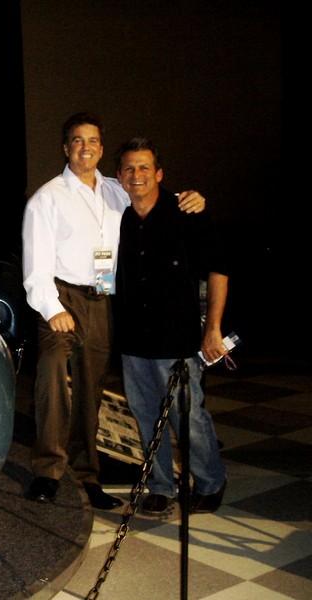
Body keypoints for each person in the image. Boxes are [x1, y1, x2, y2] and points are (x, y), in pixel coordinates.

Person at [21, 113, 205, 510]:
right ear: (65, 147)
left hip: (104, 300)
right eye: (76, 140)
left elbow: (150, 197)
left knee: (91, 390)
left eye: (93, 141)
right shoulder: (46, 199)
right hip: (61, 298)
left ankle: (87, 476)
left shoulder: (114, 190)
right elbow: (34, 268)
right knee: (53, 374)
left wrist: (190, 199)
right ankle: (48, 471)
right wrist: (53, 308)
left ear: (101, 149)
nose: (85, 147)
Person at [114, 137, 228, 515]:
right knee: (146, 418)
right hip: (133, 340)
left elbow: (218, 270)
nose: (137, 175)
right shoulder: (118, 217)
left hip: (177, 340)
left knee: (188, 417)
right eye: (129, 168)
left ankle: (210, 481)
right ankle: (161, 484)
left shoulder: (186, 213)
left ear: (159, 173)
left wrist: (213, 328)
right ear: (119, 176)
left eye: (145, 167)